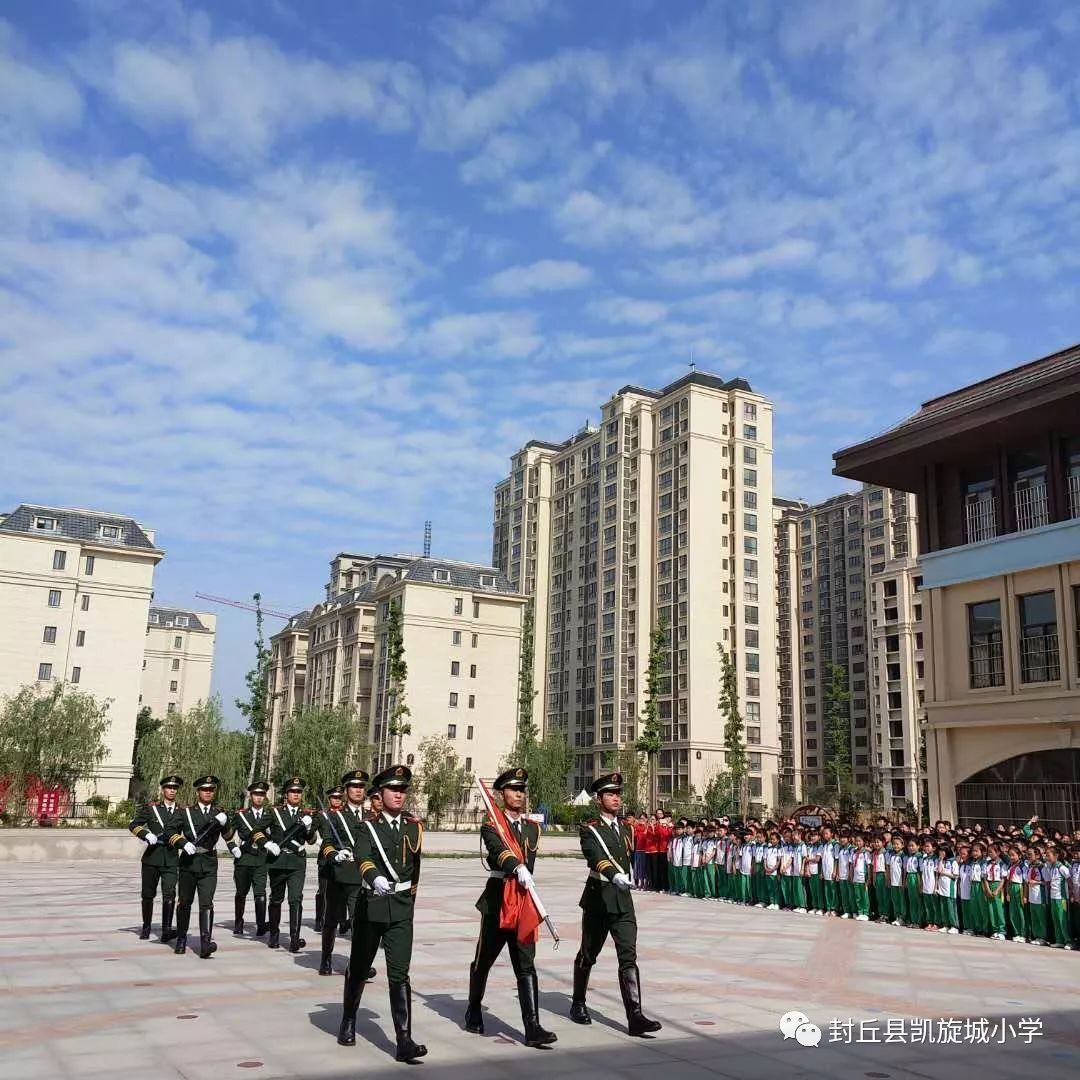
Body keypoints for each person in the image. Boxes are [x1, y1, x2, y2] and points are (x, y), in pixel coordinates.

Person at [337, 764, 426, 1063]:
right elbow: (363, 856)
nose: (399, 795)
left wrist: (411, 900)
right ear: (381, 793)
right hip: (372, 906)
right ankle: (349, 1018)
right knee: (360, 967)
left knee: (400, 973)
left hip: (401, 908)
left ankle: (404, 1040)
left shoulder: (414, 826)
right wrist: (373, 876)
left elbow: (415, 868)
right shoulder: (367, 826)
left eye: (402, 790)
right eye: (393, 790)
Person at [464, 767, 557, 1049]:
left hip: (523, 900)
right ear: (502, 794)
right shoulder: (492, 824)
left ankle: (532, 1026)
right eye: (514, 789)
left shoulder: (532, 828)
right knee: (484, 959)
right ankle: (474, 1008)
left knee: (526, 964)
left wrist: (524, 873)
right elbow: (497, 851)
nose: (519, 794)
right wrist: (515, 866)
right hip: (498, 899)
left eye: (522, 790)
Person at [569, 772, 661, 1038]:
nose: (616, 798)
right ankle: (578, 1002)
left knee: (628, 956)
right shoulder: (589, 829)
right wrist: (614, 874)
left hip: (622, 901)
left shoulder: (628, 828)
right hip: (599, 898)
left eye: (618, 794)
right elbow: (594, 856)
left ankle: (635, 1016)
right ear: (599, 799)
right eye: (611, 794)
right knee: (588, 953)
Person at [318, 772, 378, 979]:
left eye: (361, 786)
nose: (358, 790)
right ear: (346, 791)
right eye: (353, 786)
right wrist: (335, 854)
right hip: (340, 875)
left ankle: (357, 965)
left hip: (362, 876)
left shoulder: (371, 816)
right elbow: (326, 843)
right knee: (332, 920)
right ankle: (326, 958)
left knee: (358, 922)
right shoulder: (335, 816)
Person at [169, 775, 230, 958]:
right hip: (189, 862)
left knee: (207, 903)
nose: (208, 792)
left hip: (209, 863)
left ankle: (205, 942)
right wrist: (181, 843)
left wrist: (225, 824)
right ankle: (181, 939)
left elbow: (228, 836)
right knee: (185, 903)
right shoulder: (185, 812)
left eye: (211, 790)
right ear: (198, 792)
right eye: (205, 790)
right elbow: (170, 831)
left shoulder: (219, 812)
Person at [128, 773, 183, 943]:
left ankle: (166, 929)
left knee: (170, 893)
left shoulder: (182, 811)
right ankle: (146, 926)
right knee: (148, 894)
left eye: (174, 788)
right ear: (163, 790)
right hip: (152, 857)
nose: (171, 791)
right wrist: (145, 834)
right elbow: (133, 825)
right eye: (169, 788)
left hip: (171, 858)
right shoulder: (152, 809)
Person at [265, 776, 317, 952]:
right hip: (278, 861)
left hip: (296, 862)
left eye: (299, 792)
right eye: (293, 792)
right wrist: (267, 844)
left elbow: (311, 841)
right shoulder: (274, 812)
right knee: (276, 899)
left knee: (295, 899)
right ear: (286, 795)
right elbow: (257, 831)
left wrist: (309, 829)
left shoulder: (307, 815)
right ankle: (273, 934)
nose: (296, 794)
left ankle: (294, 937)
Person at [228, 780, 270, 938]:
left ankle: (260, 924)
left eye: (262, 794)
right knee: (241, 892)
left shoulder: (269, 815)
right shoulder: (241, 815)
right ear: (251, 796)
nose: (259, 797)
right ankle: (239, 921)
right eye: (256, 794)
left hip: (261, 859)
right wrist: (233, 847)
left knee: (260, 893)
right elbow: (228, 835)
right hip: (244, 858)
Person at [315, 786, 345, 933]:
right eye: (334, 797)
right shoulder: (322, 815)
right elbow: (311, 832)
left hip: (342, 856)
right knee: (323, 890)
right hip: (326, 857)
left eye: (339, 797)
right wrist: (317, 840)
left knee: (341, 890)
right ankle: (319, 918)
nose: (337, 800)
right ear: (329, 799)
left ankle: (341, 920)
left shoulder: (345, 815)